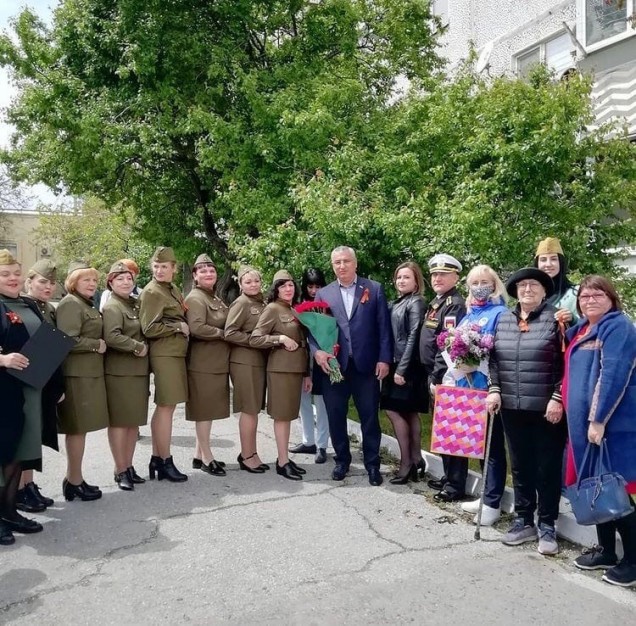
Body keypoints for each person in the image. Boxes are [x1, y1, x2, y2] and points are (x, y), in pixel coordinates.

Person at [486, 267, 566, 556]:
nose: (528, 289)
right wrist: (495, 389)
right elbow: (494, 359)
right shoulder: (504, 320)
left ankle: (547, 524)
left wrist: (557, 396)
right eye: (522, 286)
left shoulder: (557, 320)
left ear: (544, 291)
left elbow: (567, 362)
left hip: (547, 408)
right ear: (515, 292)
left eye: (534, 285)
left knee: (547, 467)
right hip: (512, 407)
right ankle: (523, 520)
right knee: (520, 465)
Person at [564, 275, 636, 587]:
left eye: (598, 295)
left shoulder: (617, 327)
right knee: (595, 486)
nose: (590, 300)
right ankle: (606, 551)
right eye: (584, 296)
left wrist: (598, 419)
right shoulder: (582, 329)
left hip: (609, 425)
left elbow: (613, 374)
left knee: (614, 489)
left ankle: (633, 561)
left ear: (611, 298)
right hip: (581, 426)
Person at [311, 246, 392, 486]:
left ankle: (373, 464)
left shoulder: (373, 289)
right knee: (336, 416)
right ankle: (342, 460)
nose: (342, 266)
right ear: (332, 265)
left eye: (346, 261)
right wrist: (317, 352)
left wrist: (384, 359)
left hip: (366, 366)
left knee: (369, 417)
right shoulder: (323, 294)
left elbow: (383, 327)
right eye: (337, 262)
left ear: (355, 263)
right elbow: (314, 330)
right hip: (335, 366)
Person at [0, 250, 62, 544]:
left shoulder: (27, 304)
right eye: (5, 274)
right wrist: (2, 360)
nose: (13, 278)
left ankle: (9, 511)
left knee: (20, 452)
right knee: (3, 453)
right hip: (4, 390)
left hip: (30, 388)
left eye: (16, 273)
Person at [447, 265, 509, 525]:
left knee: (492, 447)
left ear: (494, 285)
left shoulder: (501, 313)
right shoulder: (469, 314)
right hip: (467, 387)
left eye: (485, 282)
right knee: (480, 446)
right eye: (475, 283)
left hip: (488, 388)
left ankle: (493, 503)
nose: (480, 287)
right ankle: (485, 494)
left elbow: (499, 352)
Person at [251, 270, 311, 480]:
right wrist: (280, 339)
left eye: (291, 285)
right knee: (282, 416)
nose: (288, 289)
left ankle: (284, 458)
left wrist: (307, 373)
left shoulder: (294, 309)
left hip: (296, 369)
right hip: (280, 370)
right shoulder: (272, 309)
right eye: (283, 286)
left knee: (289, 415)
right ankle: (282, 461)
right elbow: (255, 338)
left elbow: (304, 344)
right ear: (276, 290)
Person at [56, 261, 109, 501]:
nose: (92, 283)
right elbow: (67, 339)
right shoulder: (71, 303)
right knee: (76, 430)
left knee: (81, 430)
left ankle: (74, 478)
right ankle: (74, 482)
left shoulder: (84, 303)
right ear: (73, 282)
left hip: (87, 374)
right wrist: (96, 344)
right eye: (86, 279)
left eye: (94, 280)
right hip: (76, 375)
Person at [418, 253, 467, 502]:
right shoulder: (438, 303)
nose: (437, 278)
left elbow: (447, 345)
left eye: (443, 274)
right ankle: (449, 476)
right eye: (435, 274)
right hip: (435, 374)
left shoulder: (454, 304)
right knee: (444, 429)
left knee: (453, 431)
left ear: (455, 277)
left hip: (446, 376)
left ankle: (456, 485)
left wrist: (436, 377)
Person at [139, 246, 189, 482]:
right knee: (166, 407)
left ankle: (157, 459)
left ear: (173, 268)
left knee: (166, 407)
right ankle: (165, 461)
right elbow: (148, 328)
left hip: (174, 353)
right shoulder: (152, 291)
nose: (159, 270)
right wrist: (178, 326)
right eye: (156, 266)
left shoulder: (172, 289)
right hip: (164, 353)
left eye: (164, 266)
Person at [16, 259, 62, 513]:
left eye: (52, 283)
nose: (48, 287)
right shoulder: (20, 305)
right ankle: (20, 489)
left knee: (34, 434)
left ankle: (28, 484)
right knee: (25, 434)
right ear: (29, 282)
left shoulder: (48, 308)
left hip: (42, 378)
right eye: (43, 281)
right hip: (22, 379)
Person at [102, 261, 150, 491]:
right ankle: (120, 469)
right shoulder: (113, 306)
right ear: (110, 283)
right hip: (120, 373)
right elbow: (112, 336)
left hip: (138, 372)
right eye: (119, 279)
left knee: (133, 423)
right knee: (120, 423)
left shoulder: (134, 304)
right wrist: (137, 347)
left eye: (129, 278)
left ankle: (129, 466)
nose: (125, 282)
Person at [380, 261, 427, 484]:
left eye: (406, 277)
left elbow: (413, 335)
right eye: (399, 277)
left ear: (416, 281)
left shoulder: (416, 302)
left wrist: (402, 369)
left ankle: (407, 463)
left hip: (406, 366)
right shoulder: (400, 301)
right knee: (408, 413)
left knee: (393, 410)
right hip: (398, 363)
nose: (401, 281)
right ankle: (416, 459)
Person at [185, 254, 230, 477]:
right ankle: (207, 458)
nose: (208, 273)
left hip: (215, 362)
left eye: (211, 270)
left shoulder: (213, 297)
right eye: (202, 271)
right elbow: (197, 327)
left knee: (208, 411)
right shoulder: (196, 298)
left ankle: (198, 454)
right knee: (203, 412)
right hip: (203, 363)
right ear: (195, 275)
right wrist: (223, 333)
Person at [224, 267, 268, 473]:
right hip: (244, 361)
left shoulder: (261, 303)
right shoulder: (241, 303)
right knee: (249, 409)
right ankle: (246, 455)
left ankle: (253, 452)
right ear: (240, 285)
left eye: (256, 281)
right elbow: (230, 332)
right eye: (248, 282)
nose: (253, 285)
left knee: (254, 409)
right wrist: (254, 340)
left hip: (258, 361)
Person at [290, 267, 330, 464]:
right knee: (303, 400)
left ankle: (322, 445)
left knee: (321, 402)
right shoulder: (297, 305)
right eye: (310, 286)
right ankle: (308, 441)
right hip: (301, 358)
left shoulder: (328, 305)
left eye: (318, 286)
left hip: (323, 358)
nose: (314, 290)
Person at [533, 237, 579, 323]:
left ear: (560, 263)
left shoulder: (576, 293)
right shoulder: (529, 293)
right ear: (537, 264)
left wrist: (573, 319)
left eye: (553, 259)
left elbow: (591, 323)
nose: (548, 264)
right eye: (543, 260)